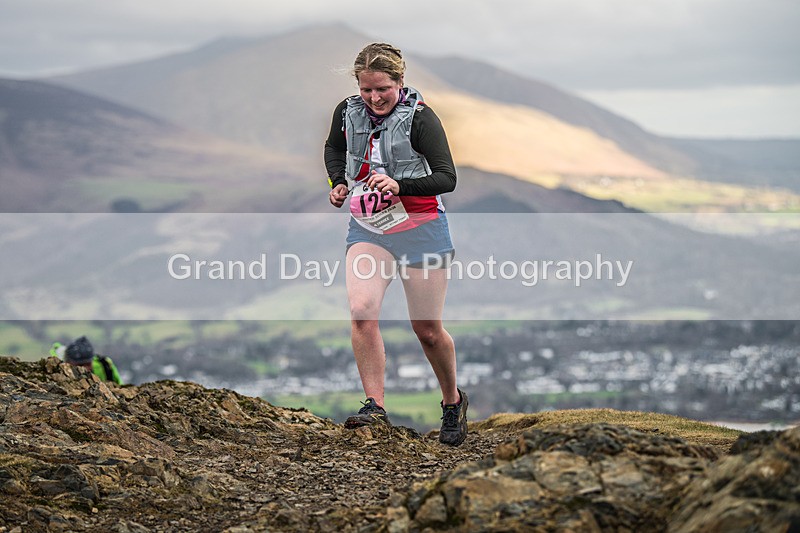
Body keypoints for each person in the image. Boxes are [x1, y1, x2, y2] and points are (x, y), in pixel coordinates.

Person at [324, 42, 467, 446]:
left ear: (400, 81)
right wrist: (337, 183)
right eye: (366, 89)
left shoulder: (422, 119)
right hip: (369, 228)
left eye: (382, 88)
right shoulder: (346, 112)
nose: (374, 97)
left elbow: (446, 178)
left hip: (423, 229)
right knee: (361, 311)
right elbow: (334, 148)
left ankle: (452, 402)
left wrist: (399, 185)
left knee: (427, 329)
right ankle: (375, 406)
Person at [54, 336, 123, 385]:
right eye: (80, 365)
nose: (85, 368)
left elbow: (121, 386)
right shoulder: (54, 369)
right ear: (67, 362)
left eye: (88, 364)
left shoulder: (105, 365)